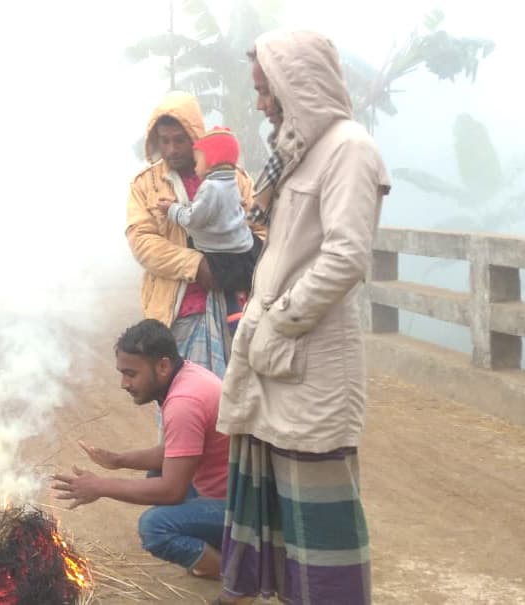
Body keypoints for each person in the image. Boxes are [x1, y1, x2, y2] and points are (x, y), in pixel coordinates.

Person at [214, 30, 391, 605]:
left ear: (298, 86)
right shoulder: (298, 154)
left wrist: (279, 320)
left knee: (320, 519)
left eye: (267, 91)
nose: (262, 103)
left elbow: (345, 258)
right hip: (277, 356)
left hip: (310, 358)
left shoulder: (349, 149)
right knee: (284, 516)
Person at [51, 319, 230, 578]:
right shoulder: (187, 375)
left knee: (154, 528)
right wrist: (119, 460)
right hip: (230, 492)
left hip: (238, 507)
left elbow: (171, 490)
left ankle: (237, 577)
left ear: (163, 366)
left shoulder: (184, 403)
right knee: (156, 473)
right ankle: (221, 547)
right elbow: (174, 452)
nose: (124, 383)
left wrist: (101, 486)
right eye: (122, 373)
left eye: (131, 374)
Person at [125, 92, 262, 377]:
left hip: (235, 310)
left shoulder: (235, 179)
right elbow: (142, 241)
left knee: (236, 407)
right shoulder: (144, 185)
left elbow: (261, 228)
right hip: (178, 318)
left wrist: (234, 264)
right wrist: (198, 266)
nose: (172, 149)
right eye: (164, 140)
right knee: (184, 407)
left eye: (179, 140)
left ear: (195, 138)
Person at [156, 126, 262, 298]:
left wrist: (172, 210)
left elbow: (193, 219)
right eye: (164, 141)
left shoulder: (209, 186)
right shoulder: (233, 181)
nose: (195, 167)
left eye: (197, 162)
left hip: (220, 256)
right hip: (244, 248)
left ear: (211, 161)